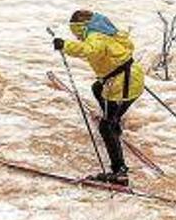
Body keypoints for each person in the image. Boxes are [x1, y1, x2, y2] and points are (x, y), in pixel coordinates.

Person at [52, 10, 144, 186]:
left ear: (81, 27)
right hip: (131, 78)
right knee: (97, 88)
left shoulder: (95, 36)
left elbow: (90, 50)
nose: (77, 37)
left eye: (76, 33)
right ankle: (113, 121)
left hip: (122, 84)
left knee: (105, 127)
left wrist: (65, 45)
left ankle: (119, 173)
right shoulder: (105, 31)